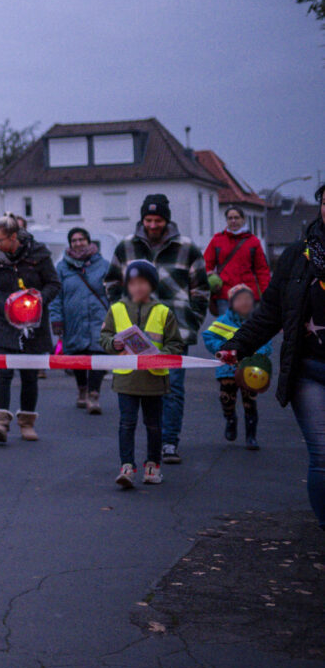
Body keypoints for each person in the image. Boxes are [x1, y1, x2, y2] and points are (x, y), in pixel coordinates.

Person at [217, 183, 325, 531]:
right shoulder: (297, 256)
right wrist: (237, 346)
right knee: (323, 455)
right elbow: (270, 314)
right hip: (309, 371)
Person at [104, 194, 210, 465]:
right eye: (148, 220)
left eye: (158, 220)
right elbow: (112, 283)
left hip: (175, 331)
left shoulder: (187, 247)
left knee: (172, 388)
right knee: (131, 388)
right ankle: (136, 447)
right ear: (142, 220)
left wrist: (192, 321)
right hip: (133, 335)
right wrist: (119, 314)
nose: (152, 225)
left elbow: (201, 289)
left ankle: (169, 442)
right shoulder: (126, 246)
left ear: (167, 220)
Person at [0, 215, 61, 442]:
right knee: (3, 371)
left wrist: (39, 299)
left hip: (32, 322)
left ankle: (27, 423)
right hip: (2, 320)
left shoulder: (39, 254)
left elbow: (54, 284)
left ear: (13, 237)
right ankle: (0, 422)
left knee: (29, 374)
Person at [101, 260, 186, 489]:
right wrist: (113, 343)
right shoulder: (117, 309)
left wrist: (160, 354)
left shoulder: (163, 312)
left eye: (142, 283)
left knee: (154, 425)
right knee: (126, 424)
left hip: (154, 378)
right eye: (132, 283)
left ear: (152, 285)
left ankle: (153, 465)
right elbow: (105, 337)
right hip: (126, 378)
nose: (137, 287)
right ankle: (127, 467)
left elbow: (176, 344)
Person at [51, 227, 112, 415]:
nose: (78, 243)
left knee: (98, 354)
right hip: (73, 319)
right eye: (74, 240)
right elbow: (56, 296)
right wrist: (56, 319)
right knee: (78, 355)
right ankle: (82, 389)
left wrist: (115, 318)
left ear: (88, 241)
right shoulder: (62, 268)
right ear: (70, 244)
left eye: (81, 239)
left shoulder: (103, 265)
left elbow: (112, 293)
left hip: (98, 318)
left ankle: (94, 395)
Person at [203, 284, 271, 449]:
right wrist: (222, 349)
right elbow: (208, 336)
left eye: (248, 299)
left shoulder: (257, 322)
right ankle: (230, 419)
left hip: (250, 370)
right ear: (231, 303)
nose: (245, 303)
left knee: (250, 402)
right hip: (227, 369)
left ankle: (251, 436)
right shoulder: (222, 322)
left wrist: (259, 353)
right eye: (240, 299)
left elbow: (267, 342)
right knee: (227, 399)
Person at [205, 207, 271, 315]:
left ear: (243, 219)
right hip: (224, 294)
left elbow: (262, 270)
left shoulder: (253, 242)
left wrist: (266, 294)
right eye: (230, 218)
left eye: (236, 218)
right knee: (225, 326)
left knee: (247, 326)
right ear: (226, 220)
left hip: (248, 295)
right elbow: (206, 264)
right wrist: (209, 277)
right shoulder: (217, 240)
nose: (233, 221)